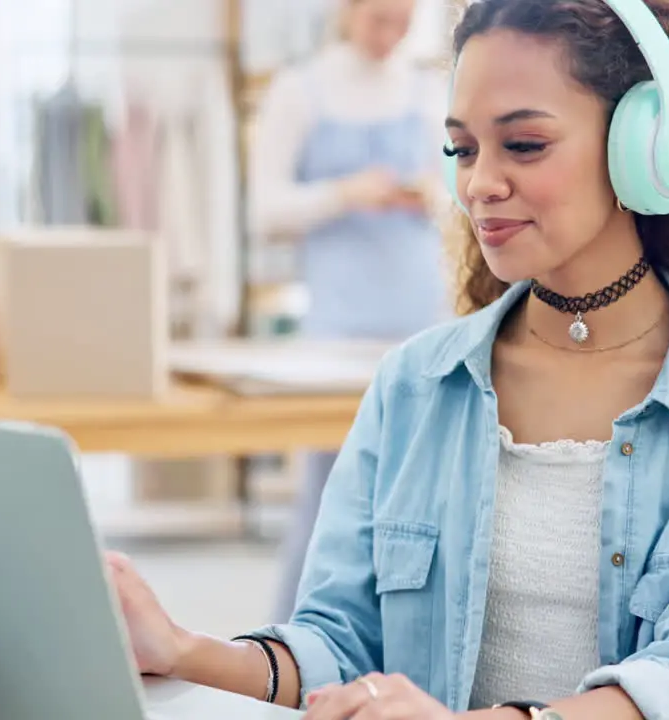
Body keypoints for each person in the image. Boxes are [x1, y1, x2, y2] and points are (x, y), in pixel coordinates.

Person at [107, 0, 669, 718]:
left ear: (646, 148)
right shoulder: (414, 384)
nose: (478, 184)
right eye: (461, 149)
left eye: (523, 145)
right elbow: (336, 642)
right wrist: (182, 650)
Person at [251, 0, 452, 623]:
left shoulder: (426, 91)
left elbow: (462, 198)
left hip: (422, 313)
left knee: (425, 494)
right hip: (336, 327)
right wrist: (344, 193)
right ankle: (298, 642)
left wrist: (431, 196)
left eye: (403, 21)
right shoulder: (299, 91)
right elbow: (265, 210)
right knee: (330, 497)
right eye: (380, 19)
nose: (391, 35)